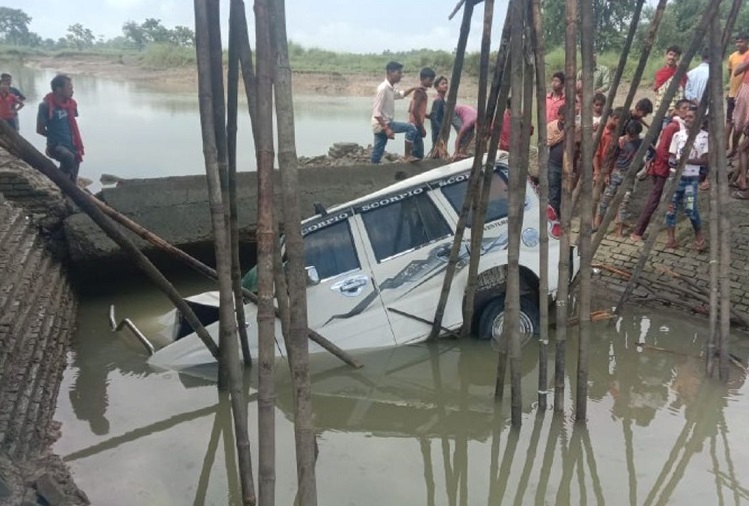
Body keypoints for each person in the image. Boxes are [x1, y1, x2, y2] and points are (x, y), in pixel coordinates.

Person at [631, 99, 691, 242]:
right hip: (663, 168)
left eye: (688, 108)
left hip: (669, 168)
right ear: (676, 110)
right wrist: (675, 163)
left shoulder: (683, 127)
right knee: (654, 200)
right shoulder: (673, 127)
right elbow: (662, 150)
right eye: (684, 108)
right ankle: (638, 231)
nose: (686, 111)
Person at [665, 108, 707, 251]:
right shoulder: (678, 136)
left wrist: (685, 160)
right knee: (670, 209)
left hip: (691, 180)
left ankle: (699, 234)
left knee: (690, 208)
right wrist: (672, 161)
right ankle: (671, 238)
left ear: (699, 121)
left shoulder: (705, 137)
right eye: (686, 117)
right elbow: (671, 155)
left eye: (691, 117)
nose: (686, 119)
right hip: (675, 178)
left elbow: (705, 160)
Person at [596, 120, 643, 236]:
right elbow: (611, 157)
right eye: (629, 135)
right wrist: (607, 173)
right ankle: (598, 224)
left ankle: (619, 230)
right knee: (605, 199)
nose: (630, 137)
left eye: (633, 135)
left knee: (624, 203)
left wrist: (642, 168)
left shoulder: (642, 143)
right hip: (616, 173)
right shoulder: (620, 141)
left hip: (629, 176)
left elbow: (652, 154)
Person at [37, 74, 85, 183]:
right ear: (59, 89)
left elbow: (72, 122)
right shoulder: (45, 106)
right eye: (69, 87)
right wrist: (54, 137)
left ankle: (67, 194)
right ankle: (58, 181)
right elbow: (39, 130)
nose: (72, 90)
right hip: (56, 146)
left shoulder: (71, 104)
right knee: (68, 157)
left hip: (72, 145)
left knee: (73, 179)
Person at [370, 61, 418, 164]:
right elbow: (376, 111)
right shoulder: (383, 89)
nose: (401, 75)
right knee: (411, 128)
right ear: (390, 72)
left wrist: (414, 88)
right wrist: (387, 129)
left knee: (378, 152)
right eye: (399, 73)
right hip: (383, 124)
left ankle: (373, 169)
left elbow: (401, 94)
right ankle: (407, 155)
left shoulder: (389, 88)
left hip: (380, 124)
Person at [726, 34, 748, 157]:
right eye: (737, 42)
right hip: (737, 91)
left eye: (742, 41)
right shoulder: (734, 56)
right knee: (733, 121)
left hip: (744, 91)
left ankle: (741, 150)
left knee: (744, 124)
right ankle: (733, 148)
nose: (739, 44)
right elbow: (734, 72)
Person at [408, 67, 435, 162]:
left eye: (432, 80)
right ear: (422, 79)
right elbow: (415, 111)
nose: (431, 82)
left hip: (412, 124)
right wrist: (422, 127)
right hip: (416, 125)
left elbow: (410, 109)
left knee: (415, 150)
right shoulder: (421, 93)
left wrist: (428, 116)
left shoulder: (417, 92)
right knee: (418, 152)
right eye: (430, 80)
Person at [654, 45, 686, 121]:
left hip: (674, 113)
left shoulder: (681, 73)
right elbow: (658, 92)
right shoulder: (660, 73)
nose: (672, 57)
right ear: (666, 55)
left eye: (675, 55)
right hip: (659, 110)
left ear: (678, 58)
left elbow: (682, 94)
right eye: (670, 54)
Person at [429, 75, 461, 149]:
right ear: (437, 88)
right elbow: (433, 117)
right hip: (438, 130)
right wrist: (440, 130)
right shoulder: (438, 101)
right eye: (442, 84)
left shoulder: (443, 101)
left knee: (441, 148)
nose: (445, 85)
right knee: (437, 148)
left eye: (446, 83)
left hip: (443, 129)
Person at [547, 103, 566, 215]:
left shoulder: (574, 127)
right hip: (554, 163)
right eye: (562, 117)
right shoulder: (551, 126)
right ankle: (555, 215)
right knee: (554, 191)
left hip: (567, 165)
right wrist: (562, 136)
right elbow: (548, 142)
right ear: (558, 115)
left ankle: (561, 213)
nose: (564, 120)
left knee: (564, 191)